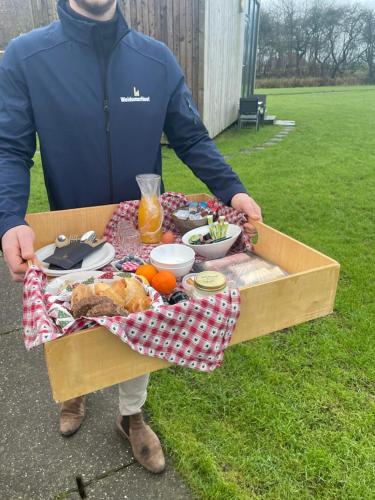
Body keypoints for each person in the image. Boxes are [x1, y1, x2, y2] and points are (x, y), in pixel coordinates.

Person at [0, 0, 262, 474]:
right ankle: (75, 394)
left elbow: (192, 138)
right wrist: (9, 217)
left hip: (142, 231)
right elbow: (9, 146)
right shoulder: (25, 56)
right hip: (69, 235)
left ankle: (131, 416)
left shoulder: (155, 58)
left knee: (139, 316)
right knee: (72, 312)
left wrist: (233, 191)